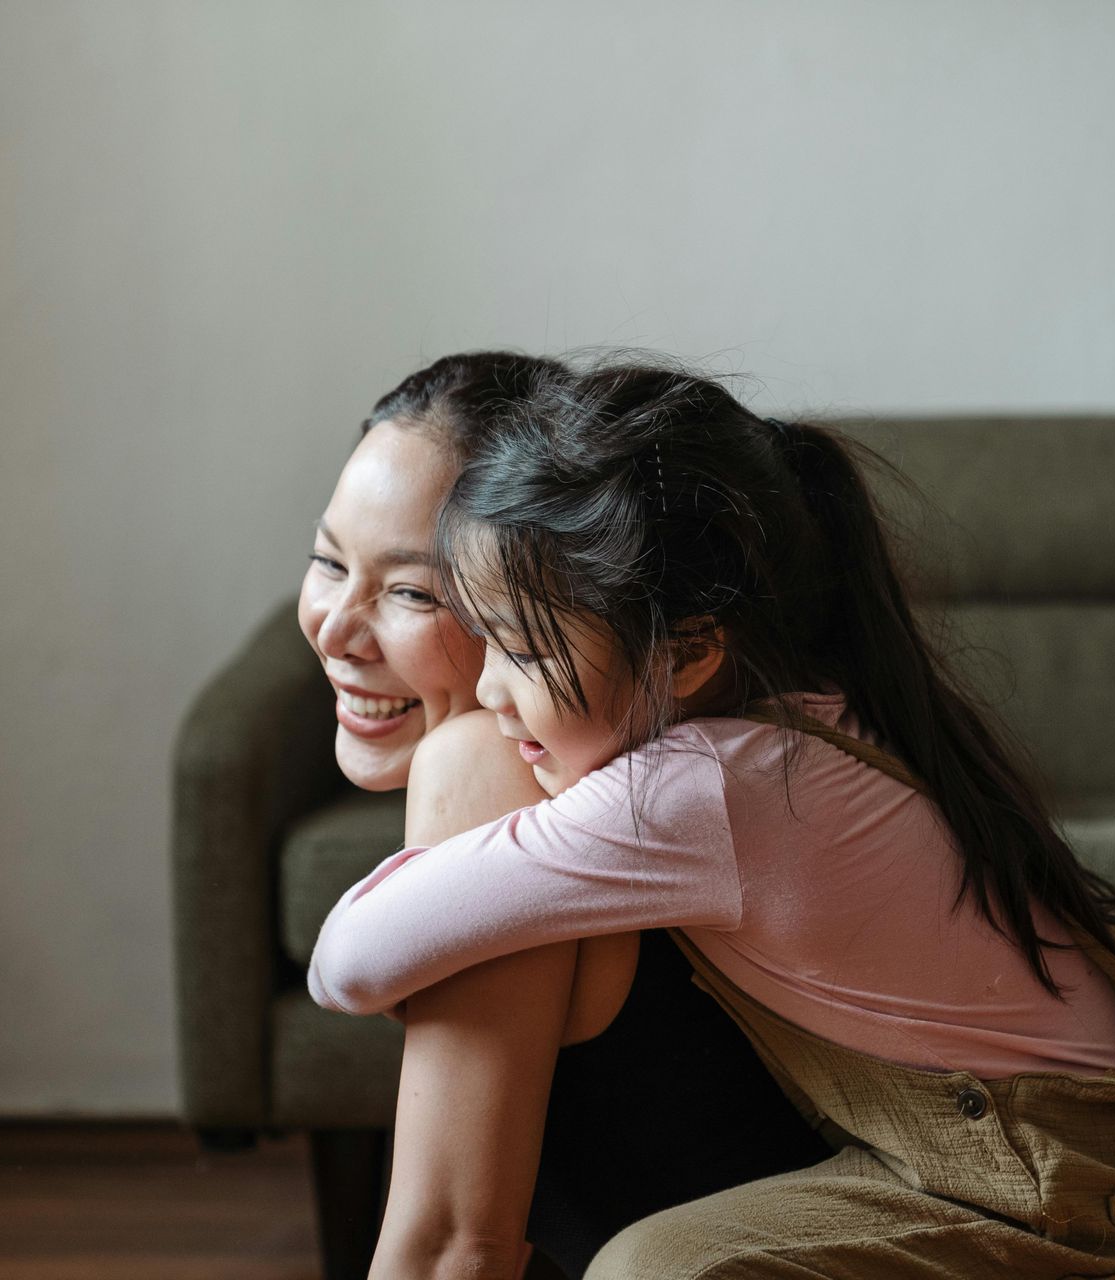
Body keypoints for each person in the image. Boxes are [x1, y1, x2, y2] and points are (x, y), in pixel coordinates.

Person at [308, 360, 1115, 1278]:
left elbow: (348, 960)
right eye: (326, 559)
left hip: (1052, 1195)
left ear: (693, 649)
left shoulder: (703, 788)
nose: (494, 690)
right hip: (1022, 1165)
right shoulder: (782, 722)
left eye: (515, 642)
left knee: (656, 1270)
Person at [299, 352, 843, 1280]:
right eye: (327, 561)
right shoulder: (676, 747)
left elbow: (452, 1247)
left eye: (412, 591)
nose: (335, 630)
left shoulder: (484, 765)